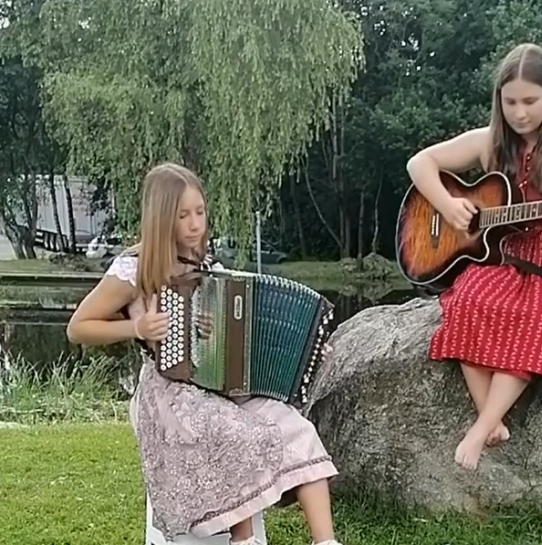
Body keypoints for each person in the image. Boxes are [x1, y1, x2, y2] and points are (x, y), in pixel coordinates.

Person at [66, 163, 344, 545]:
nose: (195, 224)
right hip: (168, 393)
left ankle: (325, 541)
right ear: (162, 218)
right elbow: (78, 328)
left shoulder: (210, 270)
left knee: (294, 426)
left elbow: (244, 340)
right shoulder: (135, 269)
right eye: (183, 215)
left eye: (200, 211)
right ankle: (243, 540)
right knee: (235, 434)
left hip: (219, 388)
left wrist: (306, 347)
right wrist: (136, 328)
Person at [405, 43, 542, 470]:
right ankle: (492, 421)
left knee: (536, 317)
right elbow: (419, 164)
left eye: (530, 101)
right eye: (510, 101)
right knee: (466, 300)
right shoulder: (490, 142)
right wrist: (446, 205)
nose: (520, 112)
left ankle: (481, 429)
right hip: (506, 255)